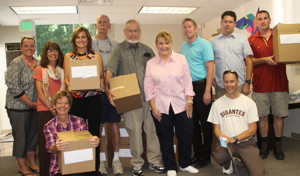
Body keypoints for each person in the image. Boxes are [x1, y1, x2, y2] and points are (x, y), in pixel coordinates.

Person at [105, 19, 164, 176]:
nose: (133, 33)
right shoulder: (118, 50)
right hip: (130, 98)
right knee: (135, 131)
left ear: (140, 31)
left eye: (136, 30)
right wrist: (108, 88)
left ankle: (155, 161)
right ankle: (137, 163)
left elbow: (158, 70)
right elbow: (110, 70)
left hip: (150, 97)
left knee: (152, 130)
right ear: (125, 32)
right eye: (130, 31)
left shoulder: (147, 49)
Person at [144, 30, 199, 176]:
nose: (164, 46)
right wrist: (153, 107)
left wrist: (189, 100)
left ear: (171, 44)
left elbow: (188, 81)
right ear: (156, 45)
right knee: (165, 137)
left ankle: (185, 163)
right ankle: (171, 167)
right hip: (160, 106)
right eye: (161, 43)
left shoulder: (181, 59)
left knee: (186, 134)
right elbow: (148, 87)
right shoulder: (151, 64)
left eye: (166, 43)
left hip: (181, 104)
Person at [207, 70, 265, 176]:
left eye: (232, 81)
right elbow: (216, 128)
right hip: (226, 143)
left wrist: (235, 138)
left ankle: (244, 158)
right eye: (226, 82)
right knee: (219, 156)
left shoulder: (249, 102)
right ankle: (227, 163)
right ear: (223, 83)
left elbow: (253, 129)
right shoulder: (217, 104)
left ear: (238, 82)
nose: (229, 85)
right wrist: (222, 137)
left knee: (258, 173)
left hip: (245, 143)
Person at [248, 10, 288, 160]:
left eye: (265, 18)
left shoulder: (279, 36)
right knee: (262, 117)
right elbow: (248, 61)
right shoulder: (251, 39)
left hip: (279, 83)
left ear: (270, 20)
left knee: (278, 116)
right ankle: (263, 146)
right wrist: (264, 59)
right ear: (256, 22)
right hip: (260, 85)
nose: (263, 21)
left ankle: (278, 146)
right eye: (260, 19)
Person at [64, 27, 103, 175]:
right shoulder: (69, 57)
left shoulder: (96, 56)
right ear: (74, 40)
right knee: (78, 135)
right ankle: (80, 167)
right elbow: (68, 79)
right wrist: (71, 86)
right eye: (78, 37)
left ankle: (94, 168)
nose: (81, 40)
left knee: (94, 134)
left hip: (93, 100)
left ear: (88, 39)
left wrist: (99, 83)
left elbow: (100, 76)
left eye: (83, 37)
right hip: (77, 101)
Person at [91, 14, 123, 175]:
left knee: (114, 124)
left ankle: (116, 160)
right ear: (95, 25)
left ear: (109, 26)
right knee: (99, 126)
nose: (102, 25)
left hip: (113, 91)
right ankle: (101, 161)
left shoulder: (116, 45)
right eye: (99, 22)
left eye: (105, 22)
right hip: (96, 92)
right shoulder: (89, 43)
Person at [181, 18, 214, 168]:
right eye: (185, 27)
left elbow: (210, 68)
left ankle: (206, 156)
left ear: (195, 29)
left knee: (205, 123)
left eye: (190, 27)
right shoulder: (183, 47)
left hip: (202, 87)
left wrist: (207, 91)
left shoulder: (205, 44)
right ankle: (198, 153)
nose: (187, 29)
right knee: (192, 123)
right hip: (188, 89)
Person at [44, 90, 100, 176]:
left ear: (70, 106)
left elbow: (85, 143)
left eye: (66, 103)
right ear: (54, 106)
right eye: (59, 103)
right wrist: (56, 147)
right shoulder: (49, 126)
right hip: (58, 169)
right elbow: (50, 149)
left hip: (78, 166)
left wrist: (93, 142)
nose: (63, 106)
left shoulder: (79, 121)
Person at [5, 35, 39, 176]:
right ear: (21, 47)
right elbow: (14, 86)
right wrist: (30, 103)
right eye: (26, 45)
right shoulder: (16, 63)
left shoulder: (37, 63)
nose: (29, 48)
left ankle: (32, 164)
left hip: (34, 107)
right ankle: (22, 166)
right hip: (18, 107)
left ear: (35, 47)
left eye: (32, 45)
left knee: (32, 137)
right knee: (21, 137)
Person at [33, 41, 65, 176]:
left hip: (62, 111)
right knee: (45, 144)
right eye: (49, 50)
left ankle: (61, 171)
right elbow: (40, 92)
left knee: (61, 144)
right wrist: (51, 107)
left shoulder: (62, 71)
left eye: (55, 50)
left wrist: (59, 109)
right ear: (45, 53)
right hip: (44, 111)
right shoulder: (40, 69)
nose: (53, 53)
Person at [210, 10, 253, 98]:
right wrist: (212, 80)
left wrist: (247, 83)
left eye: (230, 22)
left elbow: (249, 62)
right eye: (225, 21)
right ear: (221, 23)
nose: (227, 24)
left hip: (239, 85)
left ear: (235, 24)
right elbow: (208, 63)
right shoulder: (212, 41)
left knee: (240, 110)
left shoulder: (242, 39)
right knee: (223, 111)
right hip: (221, 86)